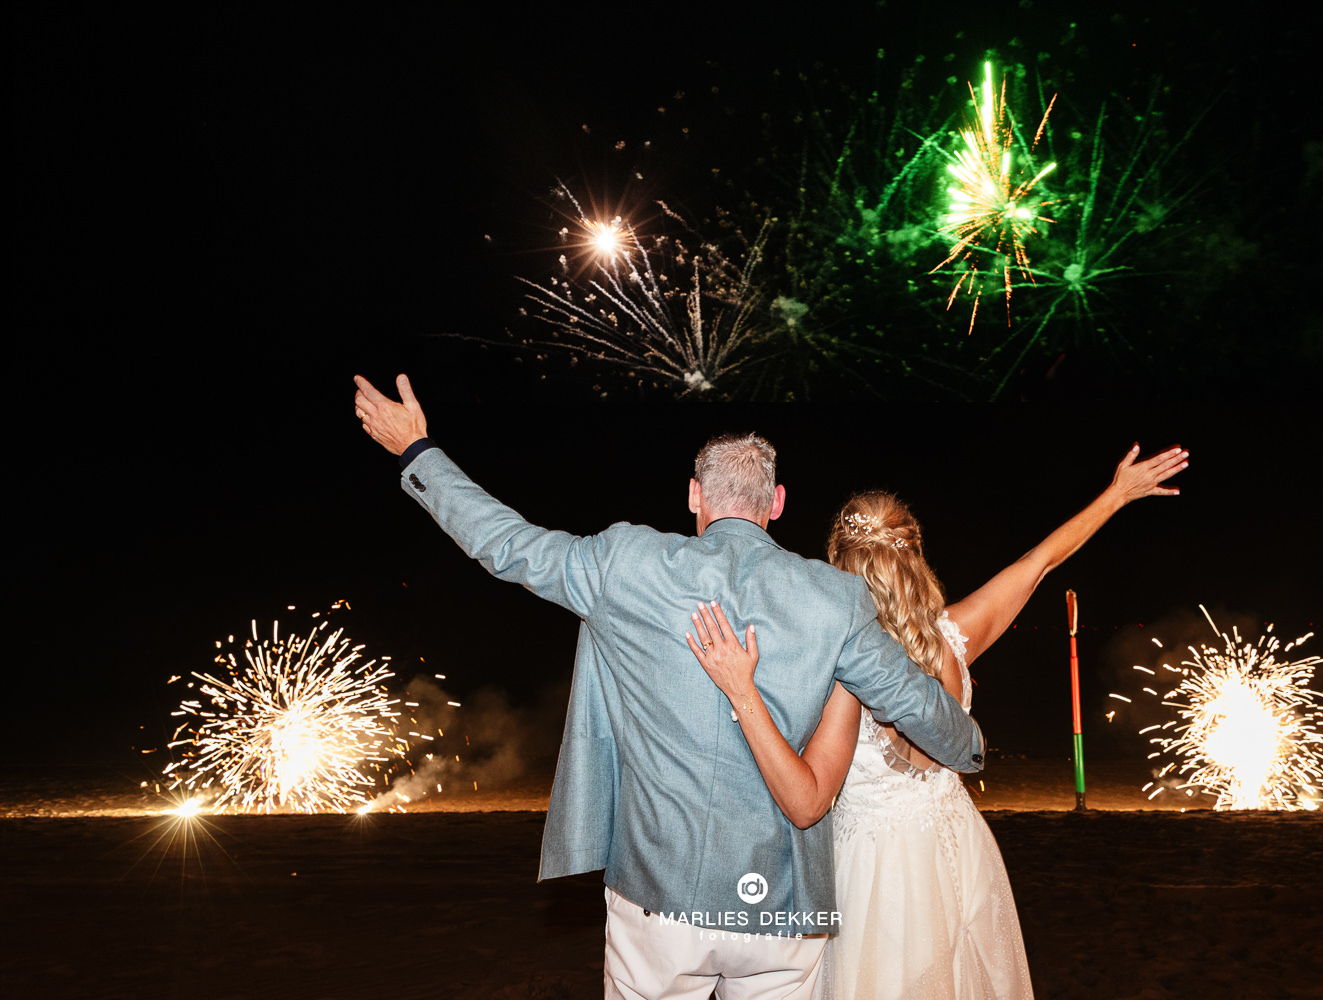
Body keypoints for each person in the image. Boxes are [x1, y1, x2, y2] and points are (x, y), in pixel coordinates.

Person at [351, 373, 988, 1000]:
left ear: (694, 496)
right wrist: (971, 748)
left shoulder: (623, 562)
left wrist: (416, 450)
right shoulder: (836, 598)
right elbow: (915, 703)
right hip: (777, 911)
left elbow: (507, 544)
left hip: (659, 903)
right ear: (777, 503)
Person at [687, 443, 1189, 1000]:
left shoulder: (832, 667)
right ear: (916, 555)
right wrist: (1117, 495)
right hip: (955, 852)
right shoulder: (955, 635)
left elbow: (800, 789)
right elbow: (1039, 562)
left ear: (839, 568)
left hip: (867, 870)